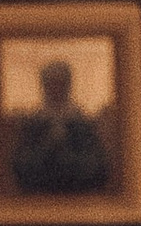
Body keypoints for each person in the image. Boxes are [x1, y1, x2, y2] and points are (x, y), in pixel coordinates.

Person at [7, 52, 115, 197]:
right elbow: (22, 165)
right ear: (44, 87)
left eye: (60, 84)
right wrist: (47, 146)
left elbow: (97, 166)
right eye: (51, 84)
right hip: (38, 193)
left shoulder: (81, 122)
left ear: (68, 86)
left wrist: (67, 154)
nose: (56, 89)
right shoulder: (33, 123)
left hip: (79, 192)